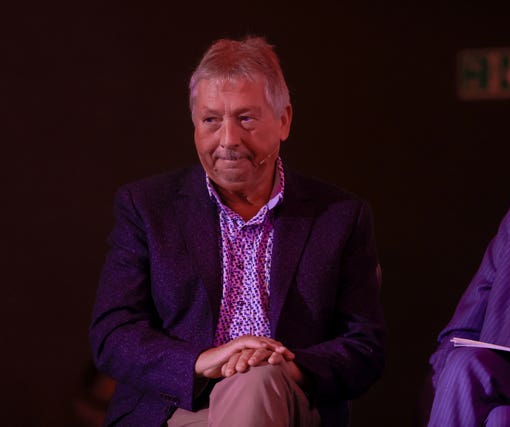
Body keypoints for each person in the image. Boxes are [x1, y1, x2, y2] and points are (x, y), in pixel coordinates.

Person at [89, 36, 386, 426]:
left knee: (255, 383)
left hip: (288, 400)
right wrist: (204, 361)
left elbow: (364, 346)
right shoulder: (146, 207)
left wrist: (282, 366)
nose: (228, 141)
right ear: (194, 124)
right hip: (178, 406)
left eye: (246, 118)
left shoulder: (340, 217)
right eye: (211, 120)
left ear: (284, 120)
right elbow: (113, 334)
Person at [428, 205, 510, 426]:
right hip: (496, 376)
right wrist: (448, 380)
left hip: (487, 373)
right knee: (500, 419)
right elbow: (463, 326)